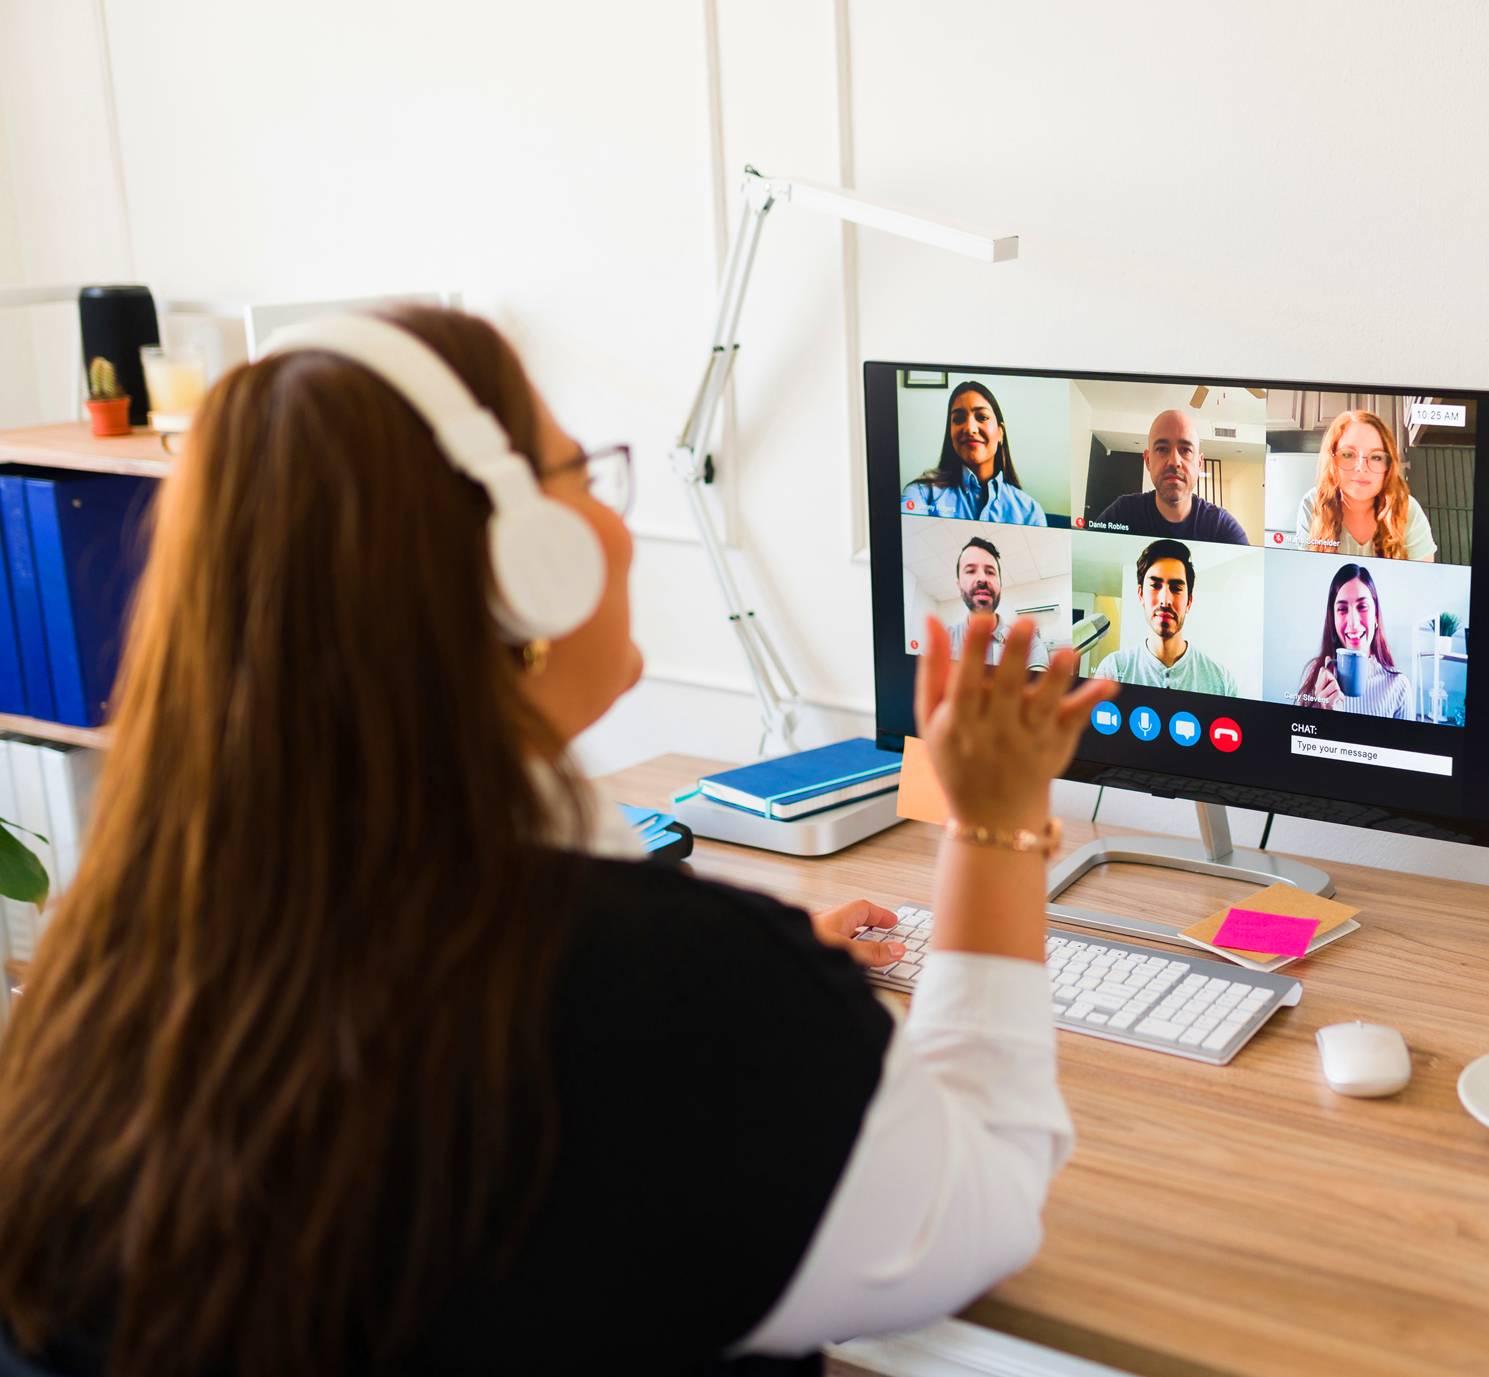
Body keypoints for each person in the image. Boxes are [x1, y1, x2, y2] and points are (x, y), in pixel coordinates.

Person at [0, 307, 1115, 1377]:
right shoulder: (690, 999)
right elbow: (980, 1202)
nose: (619, 524)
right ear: (521, 568)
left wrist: (740, 960)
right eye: (584, 476)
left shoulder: (114, 955)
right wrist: (992, 823)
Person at [1092, 538, 1238, 696]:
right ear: (1141, 595)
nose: (1165, 600)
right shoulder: (1113, 670)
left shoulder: (1222, 681)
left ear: (1188, 601)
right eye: (1155, 586)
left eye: (1176, 588)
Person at [1293, 409, 1437, 560]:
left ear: (1388, 466)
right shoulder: (1313, 504)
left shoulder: (1407, 510)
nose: (1361, 467)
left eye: (1375, 457)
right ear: (1332, 461)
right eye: (1348, 454)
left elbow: (1423, 579)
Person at [902, 379, 1048, 525]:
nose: (970, 428)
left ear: (1000, 433)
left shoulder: (1030, 512)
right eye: (958, 419)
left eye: (982, 417)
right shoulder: (921, 495)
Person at [1090, 410, 1248, 544]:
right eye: (1162, 449)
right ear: (1148, 460)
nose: (1174, 461)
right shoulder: (1122, 513)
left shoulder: (1222, 528)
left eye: (1185, 450)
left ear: (1199, 463)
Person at [1293, 562, 1415, 719]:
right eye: (1342, 609)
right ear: (1333, 619)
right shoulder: (1316, 673)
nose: (1353, 623)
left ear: (1376, 616)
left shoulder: (1399, 686)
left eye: (1362, 607)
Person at [948, 535, 1050, 669]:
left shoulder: (1028, 641)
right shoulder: (942, 640)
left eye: (990, 572)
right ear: (959, 585)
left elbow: (1038, 673)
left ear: (1000, 584)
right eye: (971, 571)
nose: (982, 579)